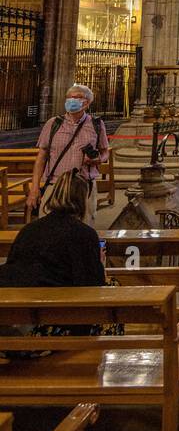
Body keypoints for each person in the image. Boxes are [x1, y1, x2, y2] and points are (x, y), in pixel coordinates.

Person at [1, 172, 109, 353]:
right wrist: (100, 265)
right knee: (110, 314)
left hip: (12, 324)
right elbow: (93, 289)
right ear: (83, 200)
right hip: (46, 330)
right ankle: (90, 365)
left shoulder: (28, 230)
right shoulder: (84, 234)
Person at [26, 83, 109, 228]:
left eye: (77, 97)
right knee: (48, 228)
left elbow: (105, 151)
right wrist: (34, 189)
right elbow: (42, 157)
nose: (72, 100)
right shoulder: (53, 124)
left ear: (87, 103)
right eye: (69, 97)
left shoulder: (96, 124)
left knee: (82, 228)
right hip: (55, 184)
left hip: (83, 185)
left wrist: (98, 160)